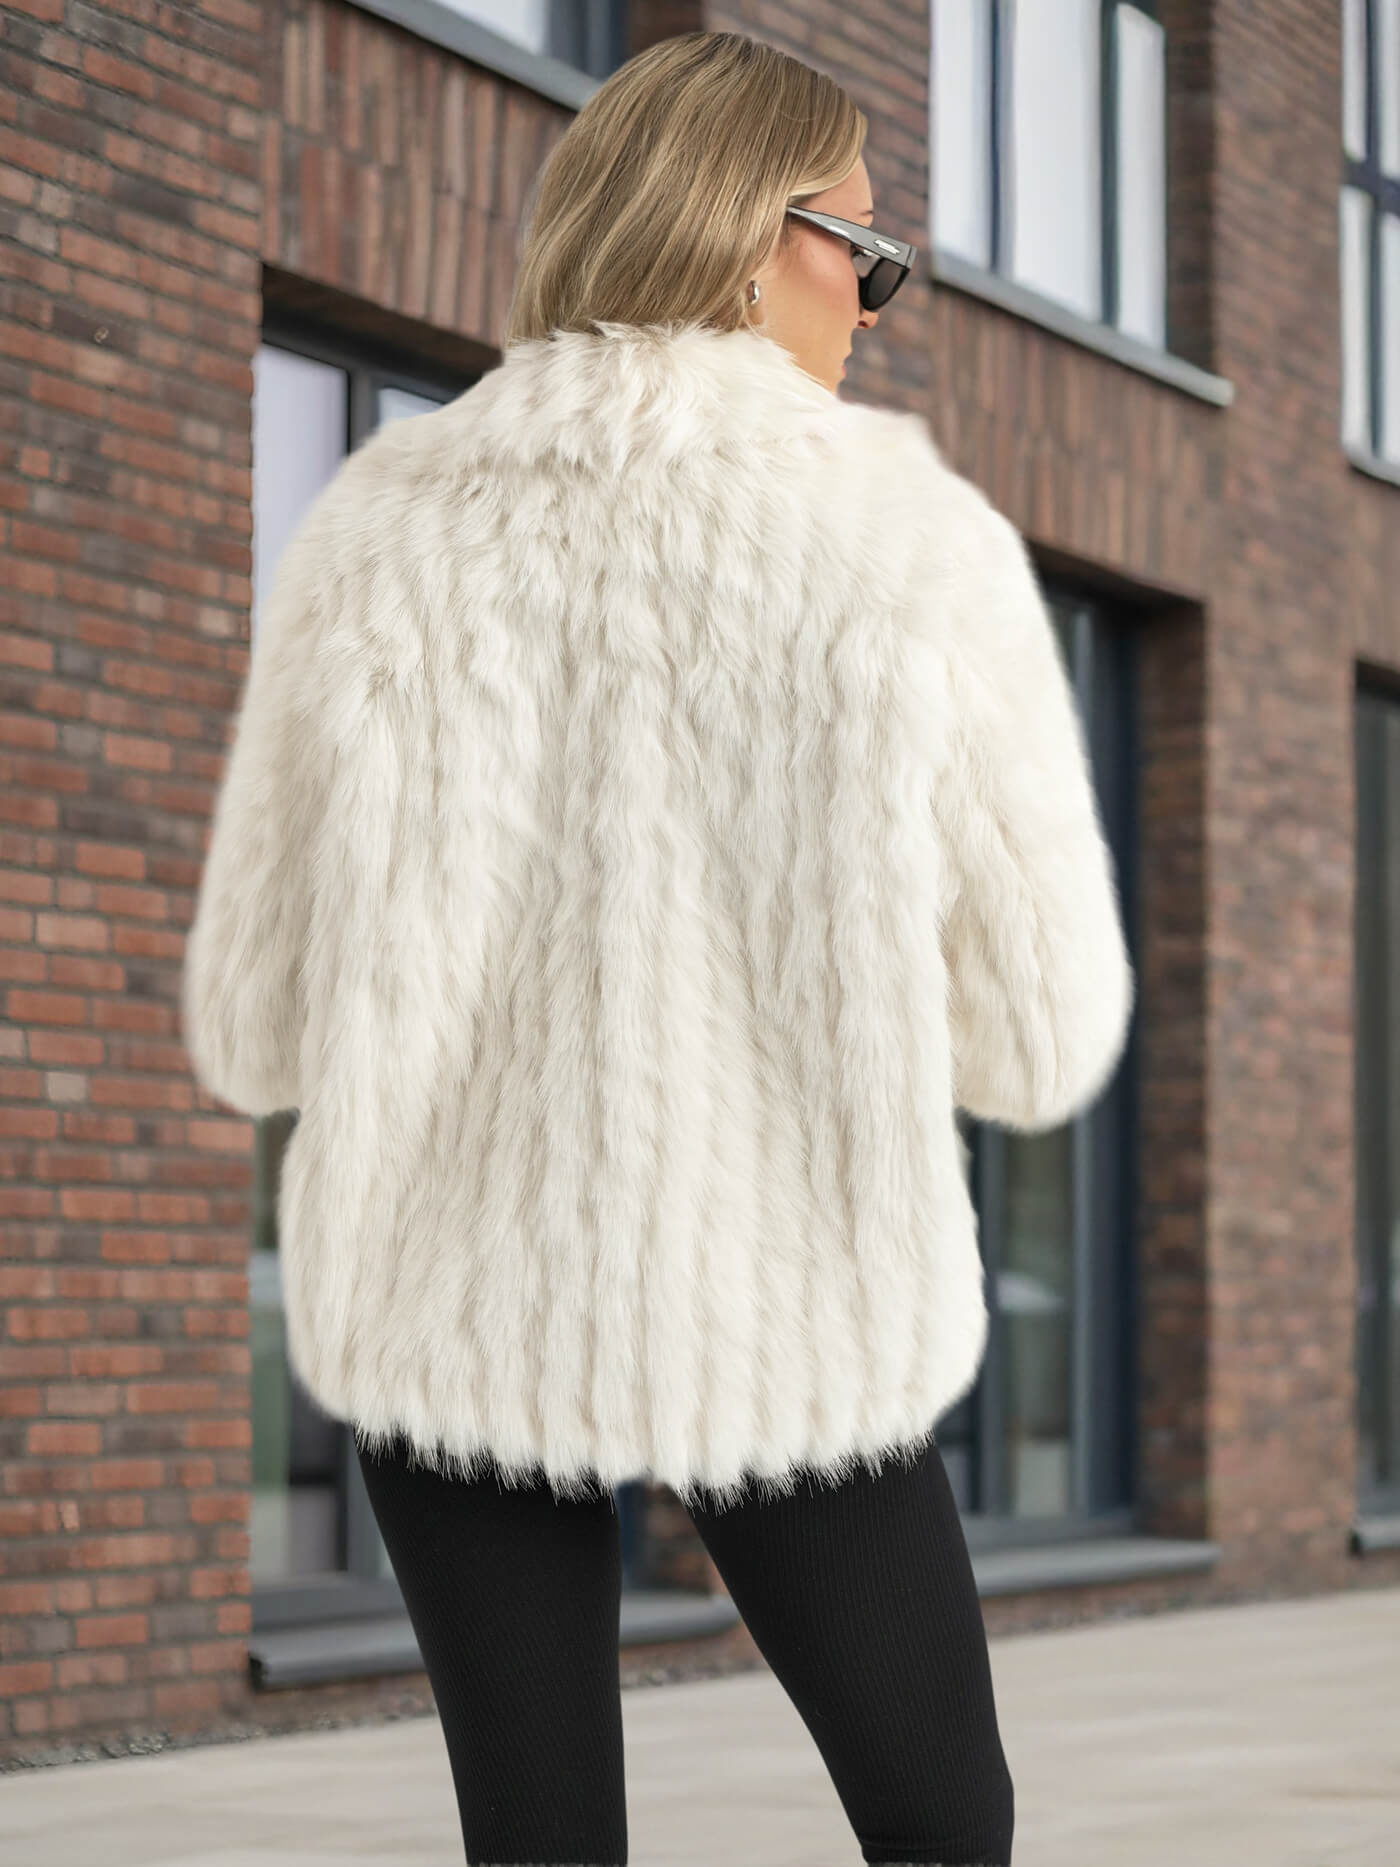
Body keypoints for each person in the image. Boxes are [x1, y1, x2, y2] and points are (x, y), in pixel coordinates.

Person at [182, 28, 1134, 1867]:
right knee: (944, 1823)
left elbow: (259, 1019)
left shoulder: (381, 531)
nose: (876, 301)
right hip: (788, 1296)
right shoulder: (906, 544)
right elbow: (1038, 1032)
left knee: (538, 1846)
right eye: (864, 250)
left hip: (455, 1301)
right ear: (750, 238)